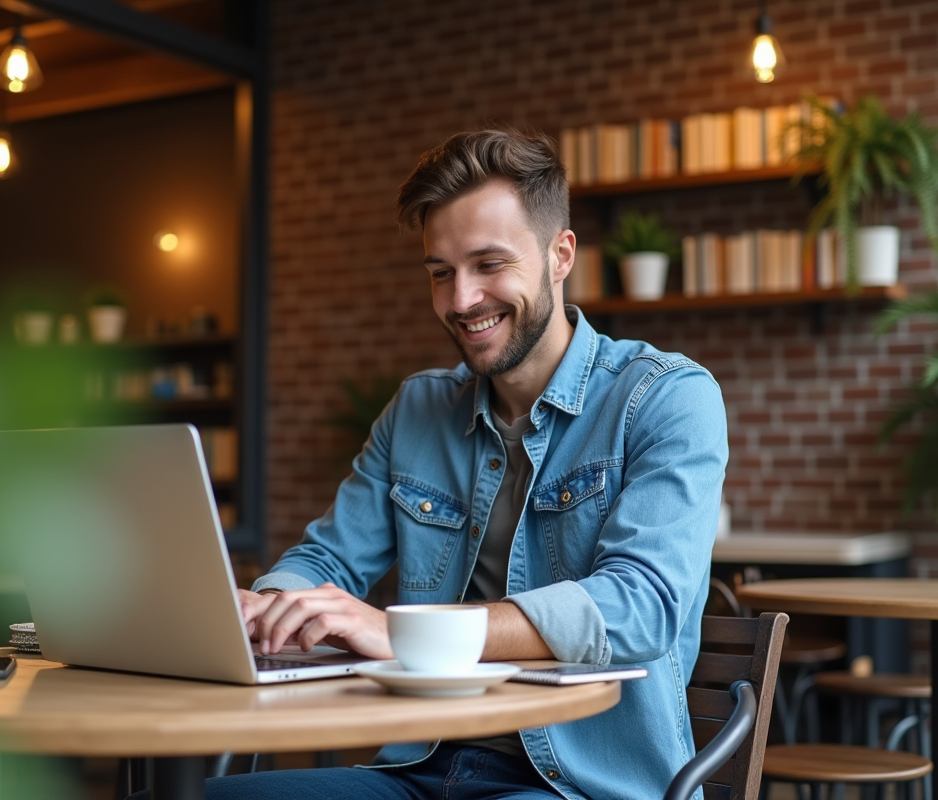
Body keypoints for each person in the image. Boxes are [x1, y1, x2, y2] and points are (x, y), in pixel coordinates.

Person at [227, 129, 725, 799]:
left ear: (560, 255)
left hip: (581, 788)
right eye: (440, 273)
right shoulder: (417, 409)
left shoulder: (665, 397)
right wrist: (266, 608)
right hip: (416, 768)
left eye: (489, 264)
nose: (461, 301)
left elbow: (639, 607)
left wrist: (401, 633)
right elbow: (328, 563)